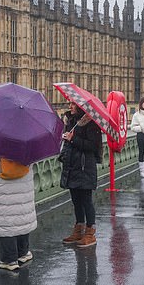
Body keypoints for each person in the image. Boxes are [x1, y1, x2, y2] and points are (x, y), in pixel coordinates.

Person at [0, 152, 36, 271]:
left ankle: (9, 259)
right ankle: (23, 252)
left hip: (2, 182)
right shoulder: (27, 135)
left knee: (5, 219)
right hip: (23, 180)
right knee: (22, 215)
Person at [60, 102, 103, 248]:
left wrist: (73, 139)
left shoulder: (91, 123)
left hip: (85, 166)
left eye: (73, 104)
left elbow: (93, 146)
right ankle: (78, 229)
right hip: (72, 164)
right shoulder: (71, 121)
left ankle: (90, 233)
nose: (70, 106)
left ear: (80, 107)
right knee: (76, 200)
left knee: (86, 200)